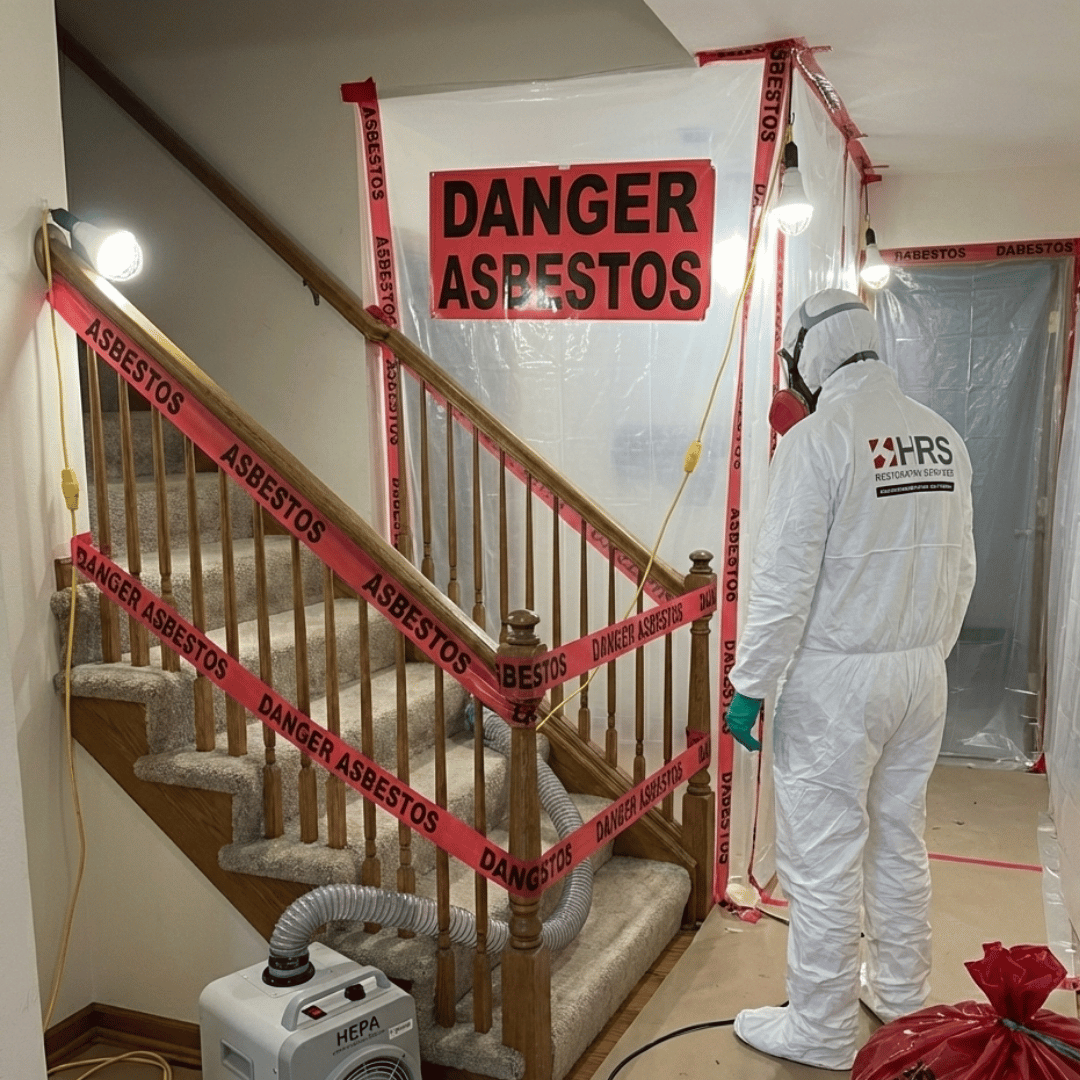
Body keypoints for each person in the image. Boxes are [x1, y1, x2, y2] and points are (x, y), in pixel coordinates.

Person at [725, 288, 976, 1071]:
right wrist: (926, 652)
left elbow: (783, 583)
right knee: (898, 836)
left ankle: (823, 1028)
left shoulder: (819, 440)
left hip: (837, 683)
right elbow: (963, 569)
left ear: (809, 356)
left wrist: (750, 683)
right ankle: (901, 994)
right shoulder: (942, 437)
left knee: (824, 855)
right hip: (920, 676)